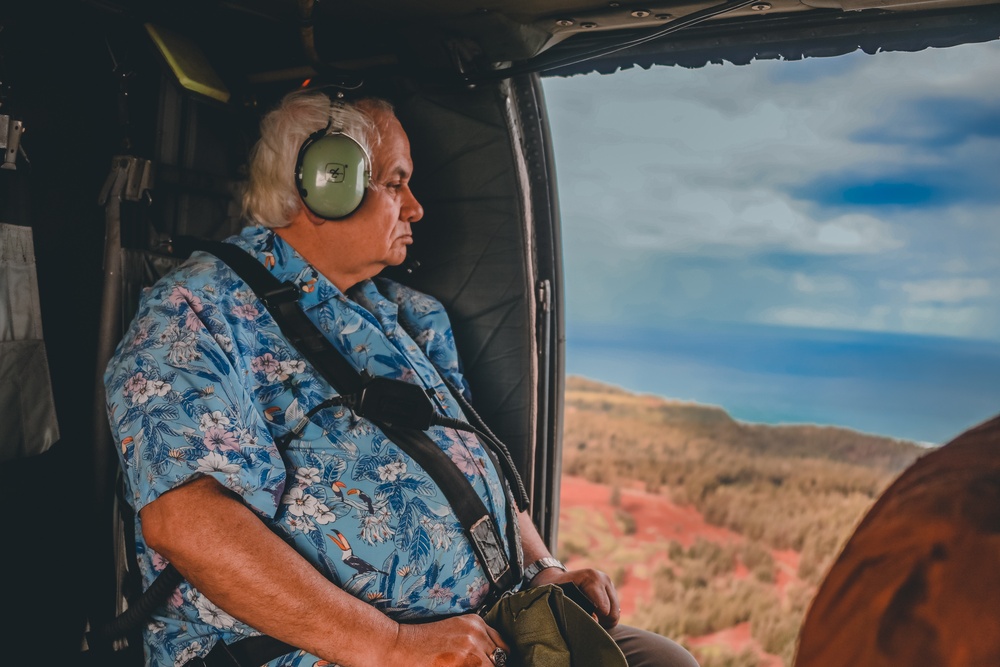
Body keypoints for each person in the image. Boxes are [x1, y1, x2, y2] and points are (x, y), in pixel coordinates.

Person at [104, 88, 699, 667]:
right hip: (318, 652)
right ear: (326, 185)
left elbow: (472, 458)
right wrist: (391, 647)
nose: (414, 207)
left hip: (489, 628)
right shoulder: (197, 312)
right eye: (395, 182)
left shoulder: (408, 316)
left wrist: (546, 571)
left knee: (664, 662)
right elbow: (185, 520)